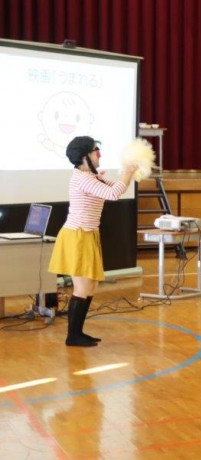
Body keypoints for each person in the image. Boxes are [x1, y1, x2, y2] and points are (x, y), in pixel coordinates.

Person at [48, 136, 136, 347]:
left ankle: (78, 333)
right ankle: (73, 336)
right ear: (84, 156)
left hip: (86, 235)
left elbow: (115, 187)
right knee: (82, 287)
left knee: (91, 286)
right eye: (96, 150)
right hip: (77, 236)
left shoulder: (91, 176)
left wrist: (125, 174)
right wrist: (128, 173)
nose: (100, 154)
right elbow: (114, 194)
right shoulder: (83, 178)